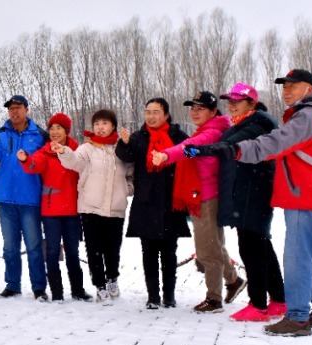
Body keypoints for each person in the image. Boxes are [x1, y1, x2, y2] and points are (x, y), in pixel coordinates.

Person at [190, 69, 312, 336]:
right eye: (284, 86)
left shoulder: (307, 115)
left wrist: (238, 149)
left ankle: (297, 317)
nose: (287, 90)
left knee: (297, 256)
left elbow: (276, 142)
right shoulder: (308, 114)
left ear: (309, 89)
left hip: (303, 193)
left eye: (294, 86)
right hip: (308, 191)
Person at [152, 91, 246, 314]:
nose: (194, 112)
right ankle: (233, 281)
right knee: (215, 245)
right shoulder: (209, 129)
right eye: (192, 108)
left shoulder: (210, 132)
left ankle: (214, 299)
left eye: (200, 108)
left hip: (206, 197)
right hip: (203, 194)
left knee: (206, 252)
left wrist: (165, 155)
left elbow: (189, 147)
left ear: (213, 111)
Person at [206, 82, 286, 322]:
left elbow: (233, 143)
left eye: (236, 101)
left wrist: (201, 149)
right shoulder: (246, 123)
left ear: (251, 103)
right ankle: (279, 300)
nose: (231, 105)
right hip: (248, 192)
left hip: (255, 191)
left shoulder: (256, 125)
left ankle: (258, 304)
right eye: (229, 101)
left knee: (252, 248)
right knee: (261, 246)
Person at [115, 98, 190, 309]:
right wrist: (125, 142)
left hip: (170, 201)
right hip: (146, 202)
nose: (151, 116)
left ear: (166, 115)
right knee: (148, 251)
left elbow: (190, 152)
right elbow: (125, 156)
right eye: (148, 111)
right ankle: (153, 296)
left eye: (156, 112)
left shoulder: (177, 136)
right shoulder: (139, 137)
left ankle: (169, 295)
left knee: (169, 252)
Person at [0, 94, 50, 301]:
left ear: (27, 110)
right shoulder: (1, 133)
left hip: (30, 200)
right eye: (11, 109)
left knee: (34, 246)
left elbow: (47, 161)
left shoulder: (39, 135)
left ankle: (39, 287)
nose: (14, 112)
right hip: (6, 200)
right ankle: (12, 285)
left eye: (18, 107)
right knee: (10, 247)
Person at [56, 108, 133, 303]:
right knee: (94, 249)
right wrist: (63, 151)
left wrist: (127, 188)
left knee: (113, 248)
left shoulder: (122, 148)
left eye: (104, 123)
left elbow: (132, 172)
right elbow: (74, 161)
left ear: (113, 126)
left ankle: (112, 279)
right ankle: (100, 286)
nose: (100, 127)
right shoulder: (88, 148)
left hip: (115, 207)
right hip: (90, 207)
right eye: (97, 124)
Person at [21, 112, 89, 302]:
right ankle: (57, 292)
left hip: (73, 211)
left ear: (67, 131)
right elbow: (34, 165)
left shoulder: (77, 150)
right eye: (51, 128)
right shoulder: (45, 152)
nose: (54, 132)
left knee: (73, 252)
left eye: (59, 128)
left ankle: (78, 290)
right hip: (51, 212)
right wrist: (26, 159)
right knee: (51, 252)